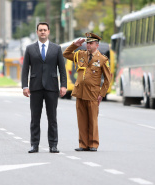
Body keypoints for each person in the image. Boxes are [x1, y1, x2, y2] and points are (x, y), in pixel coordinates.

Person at [21, 22, 67, 153]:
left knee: (52, 118)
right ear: (37, 32)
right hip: (35, 88)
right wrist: (25, 86)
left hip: (52, 88)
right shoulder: (30, 49)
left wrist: (63, 85)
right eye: (40, 30)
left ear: (48, 32)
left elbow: (62, 69)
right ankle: (34, 144)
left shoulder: (56, 48)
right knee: (35, 118)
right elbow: (25, 70)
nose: (42, 32)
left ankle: (53, 145)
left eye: (45, 30)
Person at [63, 33, 111, 152]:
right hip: (80, 92)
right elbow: (66, 54)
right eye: (87, 43)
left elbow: (108, 78)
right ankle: (83, 144)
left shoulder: (102, 59)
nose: (88, 45)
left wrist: (102, 94)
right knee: (82, 119)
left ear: (97, 45)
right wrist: (74, 45)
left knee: (93, 120)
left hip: (93, 93)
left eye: (91, 43)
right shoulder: (81, 54)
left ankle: (93, 144)